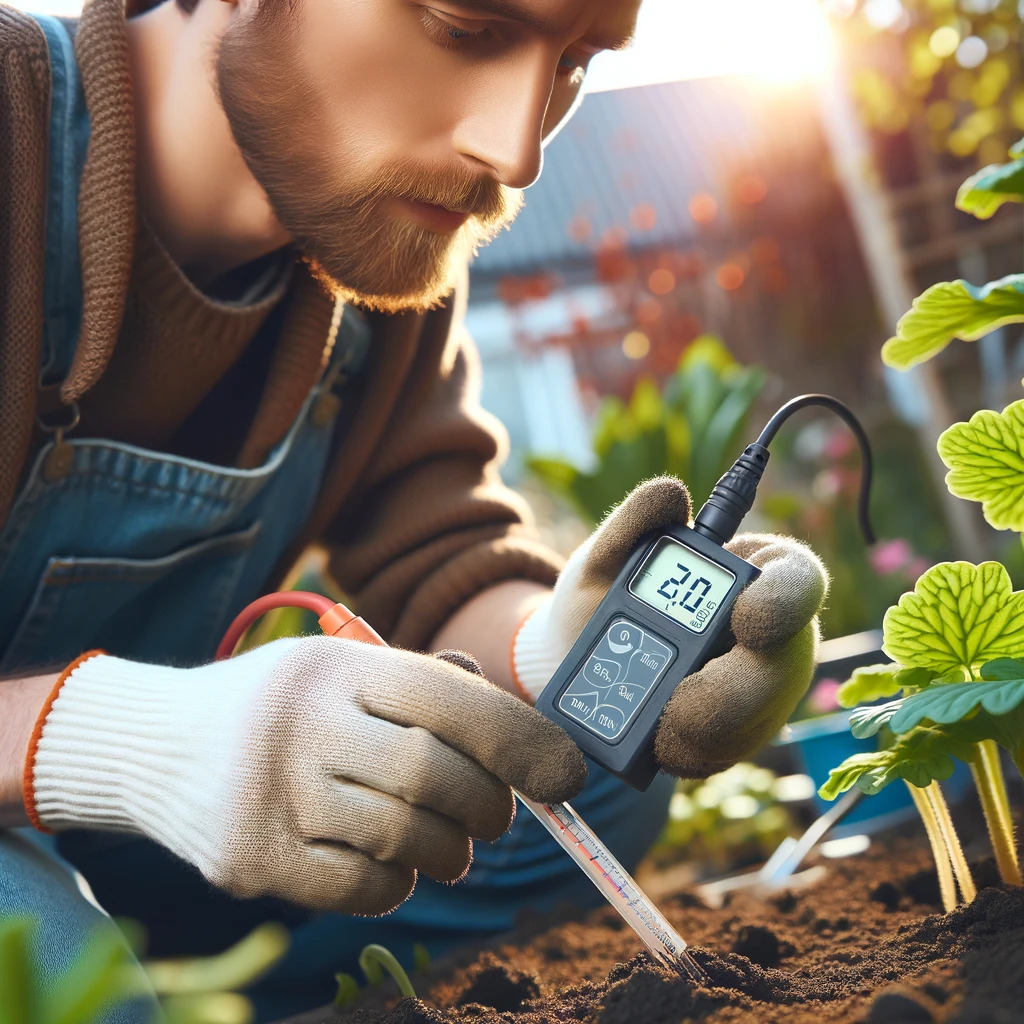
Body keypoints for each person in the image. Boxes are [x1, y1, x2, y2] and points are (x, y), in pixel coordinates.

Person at [0, 0, 829, 1018]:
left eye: (572, 61)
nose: (516, 149)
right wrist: (110, 737)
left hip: (152, 853)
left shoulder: (372, 265)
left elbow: (440, 552)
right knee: (55, 981)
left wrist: (563, 649)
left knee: (594, 776)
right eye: (464, 24)